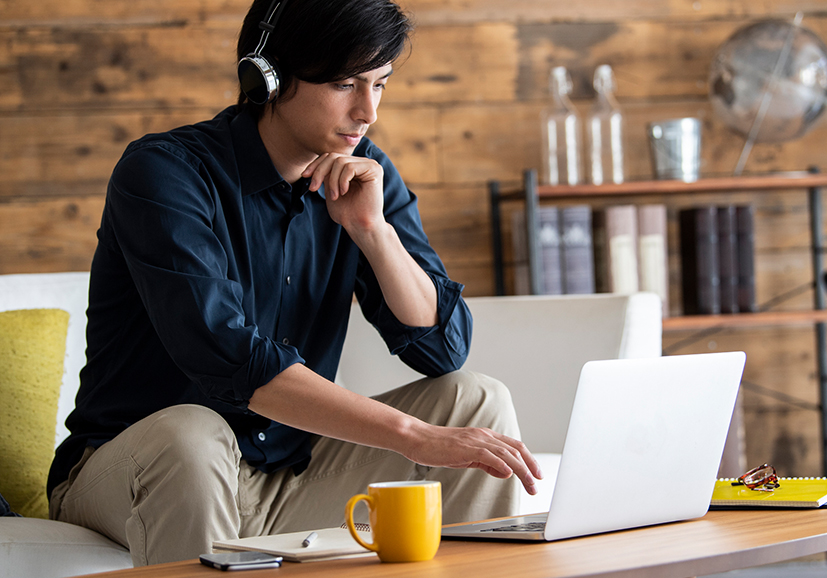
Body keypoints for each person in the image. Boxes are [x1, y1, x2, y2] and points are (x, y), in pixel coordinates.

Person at [46, 0, 541, 566]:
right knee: (191, 434)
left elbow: (442, 349)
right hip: (137, 471)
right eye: (344, 84)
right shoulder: (164, 173)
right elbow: (228, 355)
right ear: (268, 77)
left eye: (379, 84)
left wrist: (373, 232)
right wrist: (410, 434)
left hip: (285, 477)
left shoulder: (364, 174)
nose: (367, 112)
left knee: (474, 400)